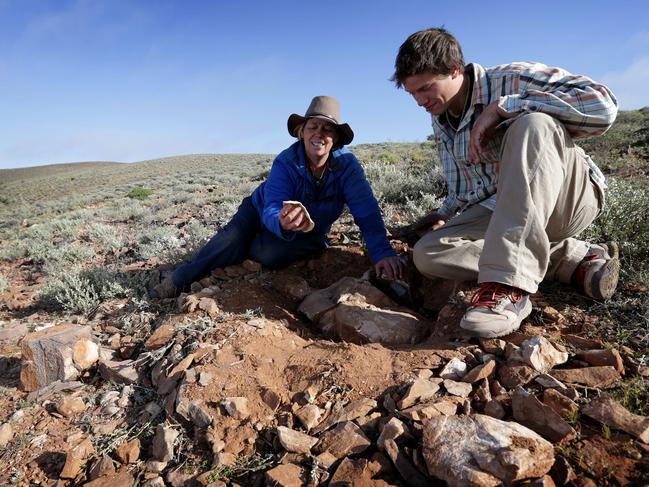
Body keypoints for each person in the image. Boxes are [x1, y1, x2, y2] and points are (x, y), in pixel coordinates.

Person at [391, 27, 620, 338]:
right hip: (506, 209)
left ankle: (509, 288)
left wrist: (503, 109)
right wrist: (443, 216)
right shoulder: (441, 115)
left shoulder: (512, 78)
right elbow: (464, 187)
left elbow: (604, 105)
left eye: (426, 88)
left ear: (455, 69)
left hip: (571, 198)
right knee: (429, 254)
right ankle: (566, 258)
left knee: (533, 124)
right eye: (412, 93)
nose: (420, 101)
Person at [150, 96, 405, 299]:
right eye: (313, 126)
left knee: (267, 254)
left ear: (335, 138)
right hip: (258, 210)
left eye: (328, 129)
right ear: (302, 132)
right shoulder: (286, 161)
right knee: (231, 237)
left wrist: (381, 252)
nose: (320, 134)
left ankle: (252, 250)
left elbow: (366, 211)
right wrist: (282, 222)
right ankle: (177, 280)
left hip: (308, 231)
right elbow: (272, 205)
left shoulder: (347, 166)